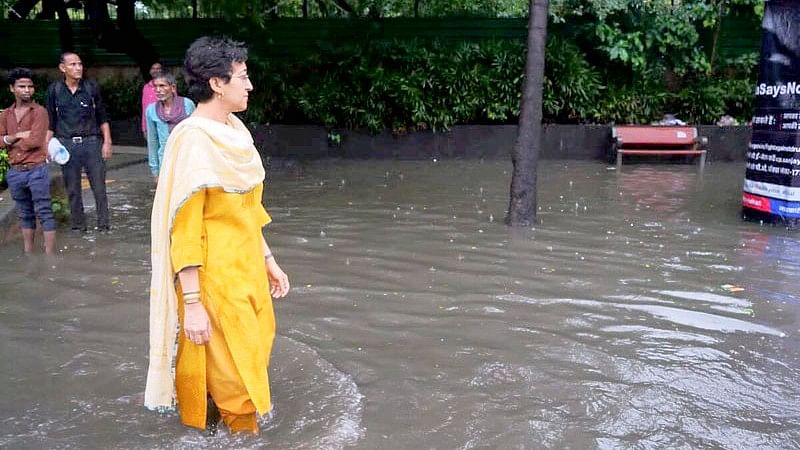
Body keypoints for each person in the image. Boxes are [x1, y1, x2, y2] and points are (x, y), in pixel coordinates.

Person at [146, 36, 290, 434]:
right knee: (237, 378)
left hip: (247, 272)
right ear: (216, 83)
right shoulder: (193, 140)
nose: (250, 85)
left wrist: (269, 260)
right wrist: (192, 303)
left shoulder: (236, 131)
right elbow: (185, 230)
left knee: (253, 351)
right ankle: (244, 436)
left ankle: (213, 427)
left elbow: (248, 210)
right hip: (214, 280)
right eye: (242, 77)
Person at [45, 52, 113, 232]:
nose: (78, 68)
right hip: (66, 145)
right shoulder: (54, 90)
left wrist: (107, 142)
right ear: (62, 68)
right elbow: (50, 121)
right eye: (73, 64)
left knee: (99, 187)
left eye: (80, 64)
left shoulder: (91, 88)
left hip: (92, 142)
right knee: (73, 189)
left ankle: (104, 226)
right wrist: (46, 147)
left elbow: (102, 117)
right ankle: (78, 226)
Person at [0, 68, 56, 254]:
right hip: (15, 171)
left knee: (44, 212)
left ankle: (50, 256)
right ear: (12, 89)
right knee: (24, 213)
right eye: (22, 86)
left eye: (30, 86)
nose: (27, 90)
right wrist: (17, 136)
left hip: (36, 169)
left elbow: (34, 141)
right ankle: (28, 254)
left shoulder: (39, 112)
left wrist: (10, 140)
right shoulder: (5, 115)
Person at [145, 72, 195, 182]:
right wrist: (155, 171)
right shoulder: (151, 110)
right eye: (155, 86)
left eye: (162, 86)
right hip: (165, 161)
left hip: (187, 160)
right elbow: (152, 141)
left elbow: (196, 135)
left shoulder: (187, 104)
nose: (158, 90)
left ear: (172, 88)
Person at [141, 61, 162, 136]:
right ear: (150, 71)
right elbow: (144, 107)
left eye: (158, 68)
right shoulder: (146, 87)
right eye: (153, 68)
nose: (155, 70)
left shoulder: (168, 86)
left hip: (164, 124)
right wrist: (144, 127)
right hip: (150, 125)